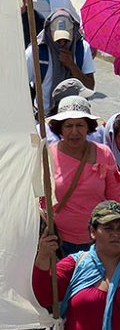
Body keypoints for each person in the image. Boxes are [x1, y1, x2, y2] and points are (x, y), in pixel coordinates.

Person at [33, 200, 120, 330]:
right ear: (92, 231)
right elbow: (44, 295)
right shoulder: (75, 264)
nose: (116, 233)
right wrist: (44, 255)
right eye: (108, 228)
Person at [45, 97, 120, 254]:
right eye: (68, 125)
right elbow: (41, 200)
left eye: (80, 125)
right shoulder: (47, 157)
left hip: (98, 242)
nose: (74, 132)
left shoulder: (104, 153)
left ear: (88, 127)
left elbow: (115, 198)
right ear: (60, 128)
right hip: (60, 242)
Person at [26, 9, 95, 113]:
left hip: (75, 116)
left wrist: (71, 65)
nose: (62, 43)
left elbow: (89, 87)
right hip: (45, 119)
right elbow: (20, 87)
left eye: (66, 40)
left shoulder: (82, 49)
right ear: (49, 32)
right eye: (58, 40)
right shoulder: (35, 52)